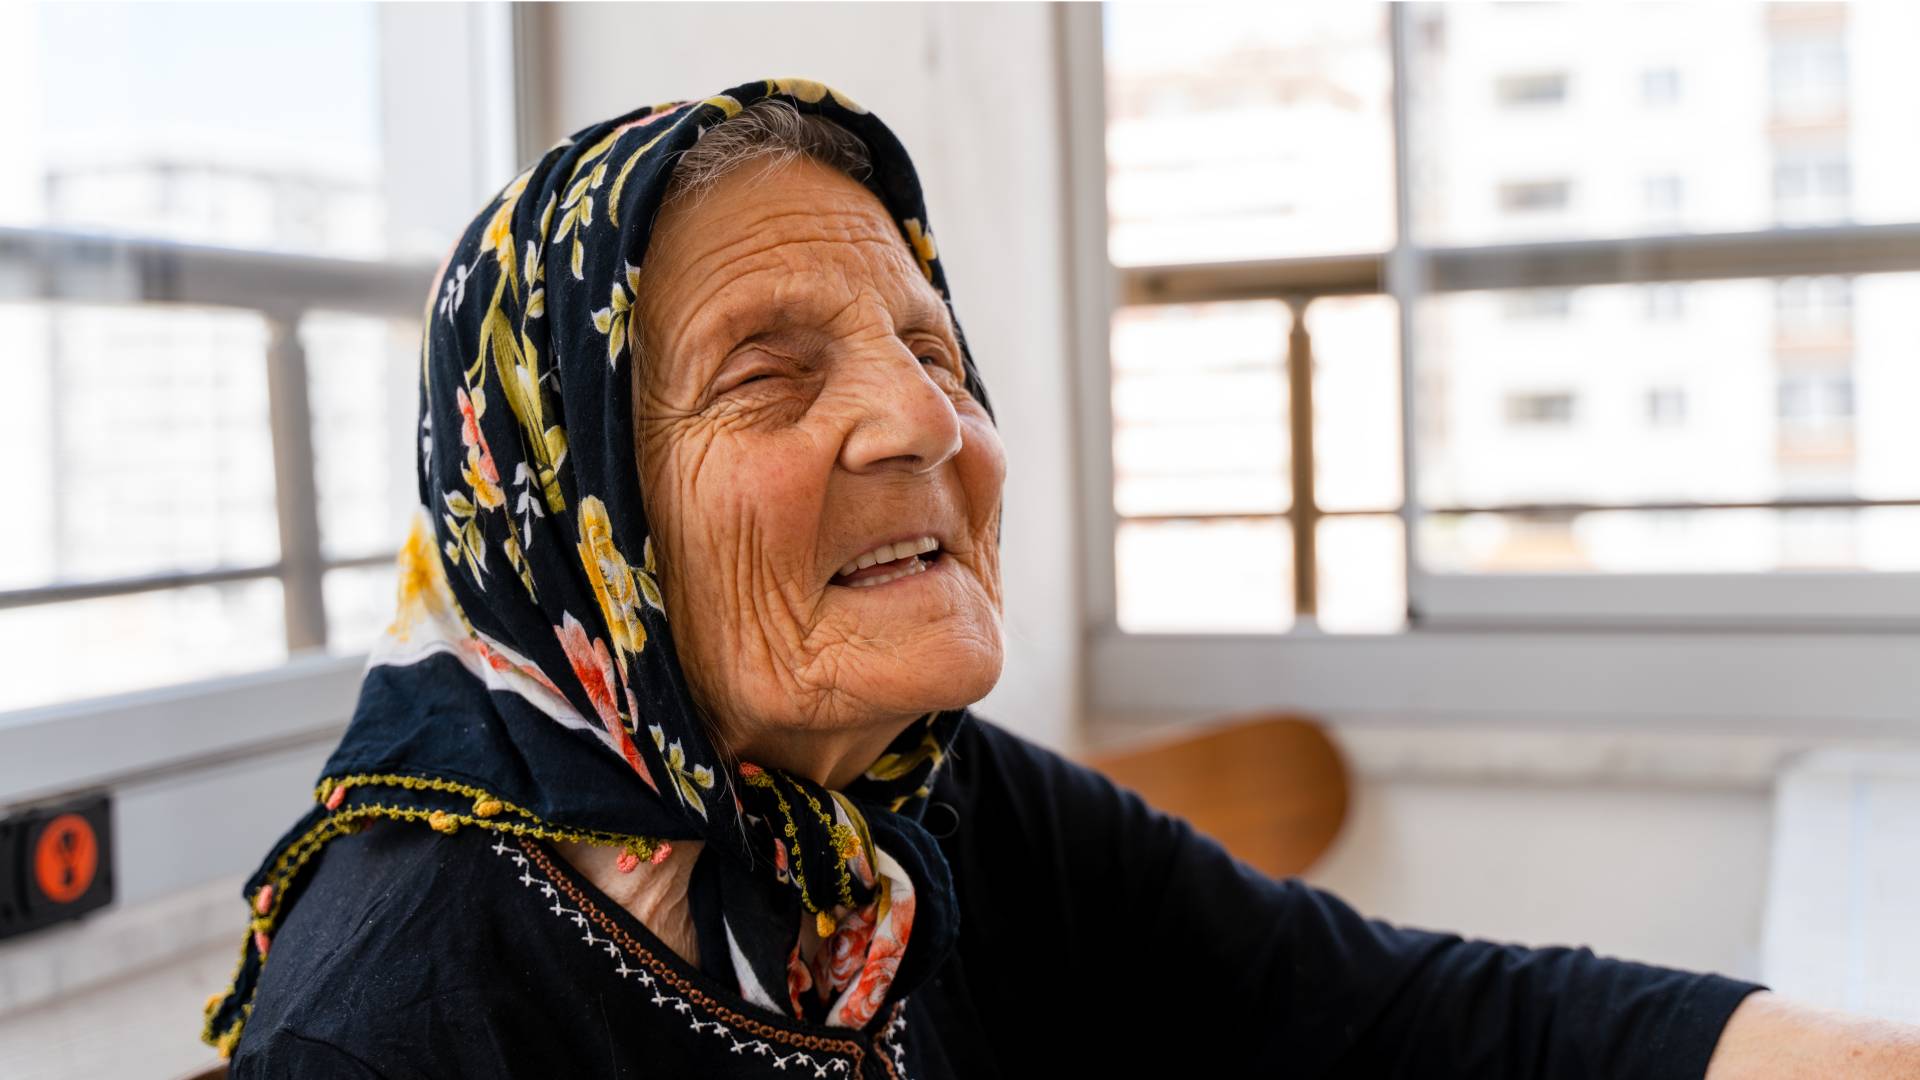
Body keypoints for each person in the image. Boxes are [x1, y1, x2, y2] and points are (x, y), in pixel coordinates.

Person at [203, 77, 1920, 1078]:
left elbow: (1390, 1018)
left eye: (932, 346)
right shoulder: (396, 1024)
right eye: (770, 372)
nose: (924, 419)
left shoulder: (908, 809)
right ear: (573, 517)